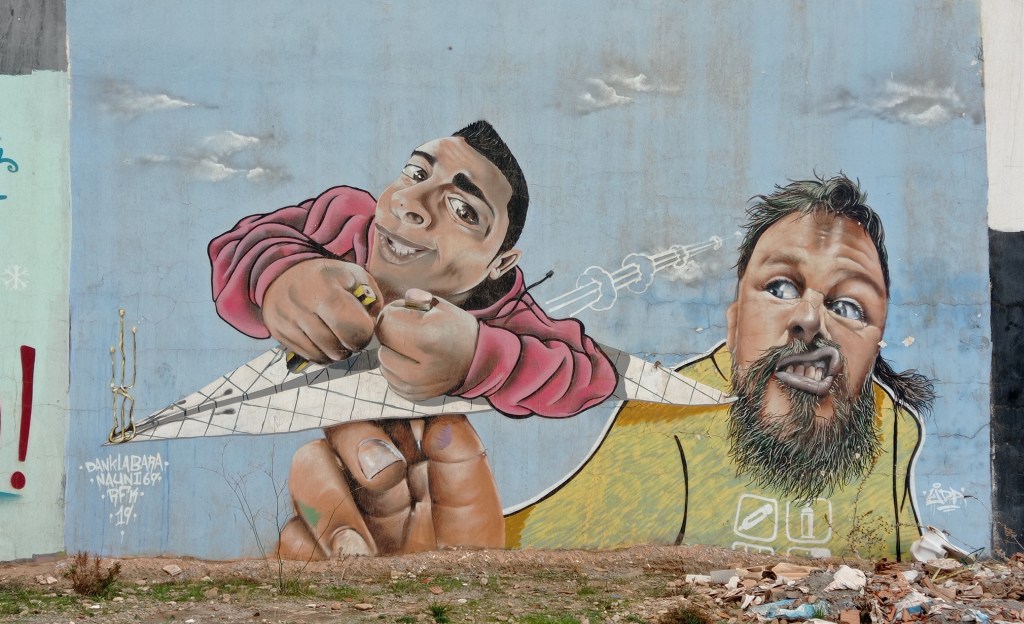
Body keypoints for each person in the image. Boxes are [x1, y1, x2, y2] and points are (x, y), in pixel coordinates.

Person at [208, 121, 618, 558]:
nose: (411, 206)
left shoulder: (501, 308)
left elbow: (589, 373)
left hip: (441, 496)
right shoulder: (346, 222)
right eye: (416, 174)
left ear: (500, 264)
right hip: (350, 484)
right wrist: (283, 278)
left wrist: (476, 355)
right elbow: (250, 240)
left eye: (464, 210)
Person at [505, 174, 933, 561]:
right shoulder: (667, 421)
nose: (809, 318)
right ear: (734, 324)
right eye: (780, 287)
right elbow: (532, 559)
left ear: (875, 348)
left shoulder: (891, 428)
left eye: (848, 306)